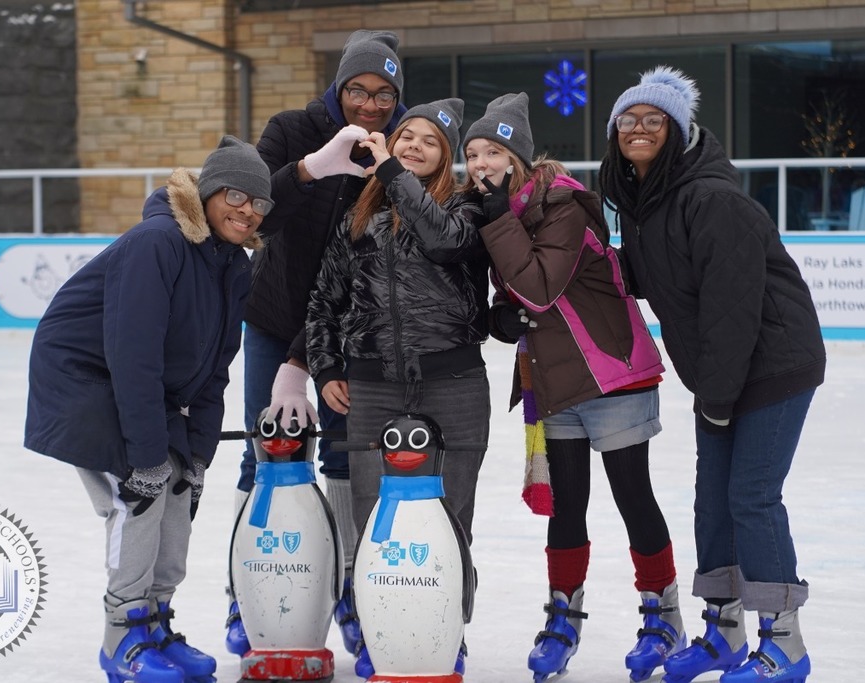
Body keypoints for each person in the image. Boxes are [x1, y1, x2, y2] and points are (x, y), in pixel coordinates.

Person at [599, 67, 826, 683]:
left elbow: (732, 308)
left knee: (751, 496)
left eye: (654, 119)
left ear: (677, 130)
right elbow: (646, 276)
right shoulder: (646, 204)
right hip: (722, 372)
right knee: (712, 501)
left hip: (775, 363)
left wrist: (717, 399)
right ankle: (723, 632)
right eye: (628, 119)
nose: (639, 128)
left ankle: (785, 644)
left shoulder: (711, 199)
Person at [24, 136, 272, 683]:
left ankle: (154, 624)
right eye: (235, 195)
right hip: (86, 379)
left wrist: (197, 456)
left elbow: (215, 368)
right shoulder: (157, 242)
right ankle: (122, 636)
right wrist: (143, 455)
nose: (248, 210)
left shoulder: (233, 265)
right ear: (208, 193)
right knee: (139, 495)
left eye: (259, 202)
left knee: (177, 489)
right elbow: (132, 354)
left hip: (151, 390)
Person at [463, 92, 685, 683]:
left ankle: (663, 618)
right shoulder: (497, 211)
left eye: (492, 151)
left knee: (633, 497)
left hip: (611, 375)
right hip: (556, 380)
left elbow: (538, 287)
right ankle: (563, 618)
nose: (480, 163)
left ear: (517, 158)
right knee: (567, 507)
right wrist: (498, 316)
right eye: (472, 153)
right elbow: (517, 295)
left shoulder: (563, 205)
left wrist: (497, 225)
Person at [229, 29, 408, 658]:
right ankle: (244, 592)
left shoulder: (399, 151)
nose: (370, 104)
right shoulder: (291, 129)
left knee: (346, 457)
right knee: (263, 451)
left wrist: (306, 358)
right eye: (358, 89)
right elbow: (255, 216)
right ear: (339, 86)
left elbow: (363, 266)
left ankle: (353, 591)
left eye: (384, 94)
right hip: (274, 315)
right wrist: (310, 169)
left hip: (349, 328)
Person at [305, 97, 489, 678]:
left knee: (451, 521)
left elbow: (442, 240)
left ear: (445, 157)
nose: (413, 146)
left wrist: (389, 172)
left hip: (453, 381)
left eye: (429, 141)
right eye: (406, 135)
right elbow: (324, 299)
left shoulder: (466, 208)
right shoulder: (358, 217)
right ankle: (379, 630)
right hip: (373, 385)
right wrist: (326, 368)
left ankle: (448, 633)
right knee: (373, 523)